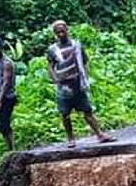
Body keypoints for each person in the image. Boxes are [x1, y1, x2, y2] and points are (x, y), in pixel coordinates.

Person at [47, 20, 114, 148]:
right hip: (64, 86)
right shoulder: (52, 50)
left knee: (87, 110)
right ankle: (70, 139)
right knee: (65, 114)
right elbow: (50, 66)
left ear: (67, 30)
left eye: (62, 31)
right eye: (58, 32)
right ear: (55, 34)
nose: (61, 34)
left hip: (78, 83)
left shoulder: (76, 45)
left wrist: (86, 77)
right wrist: (55, 79)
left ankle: (100, 134)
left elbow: (85, 61)